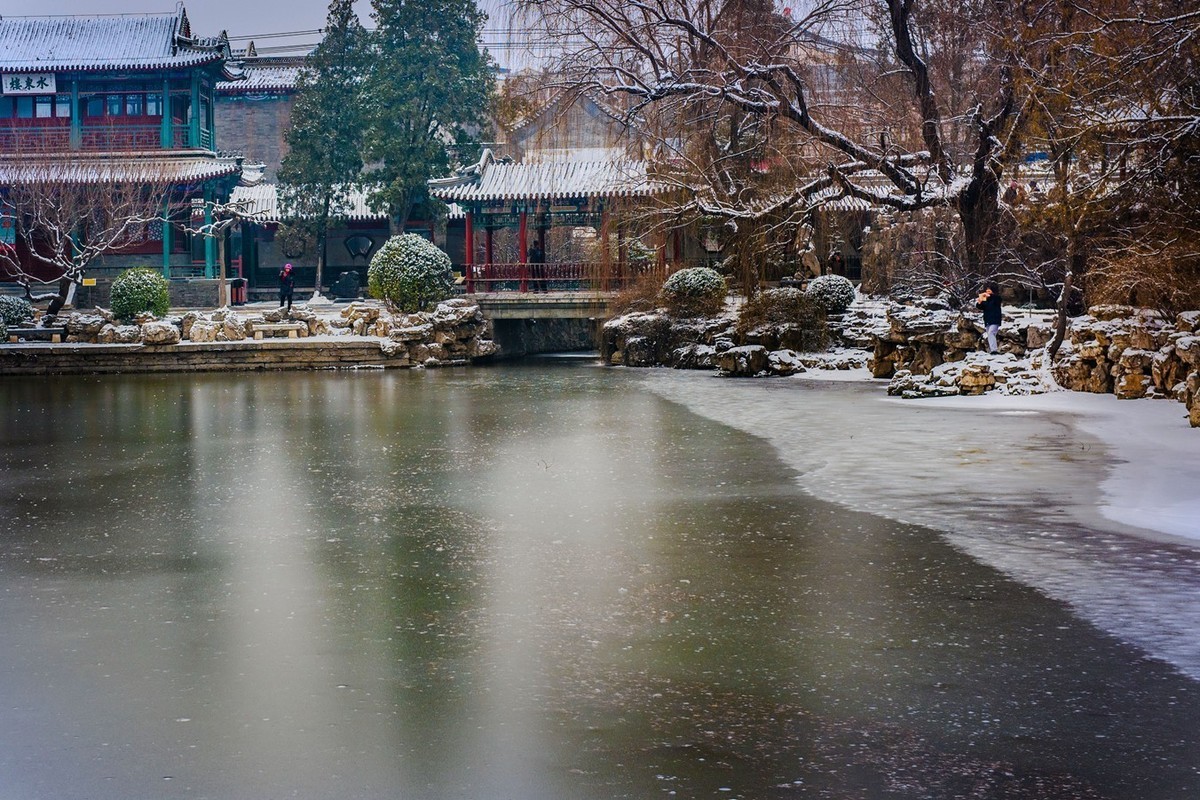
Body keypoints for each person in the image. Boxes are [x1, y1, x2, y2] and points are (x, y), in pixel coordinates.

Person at [975, 281, 1002, 353]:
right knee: (990, 334)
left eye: (989, 291)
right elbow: (981, 307)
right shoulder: (986, 299)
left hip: (995, 319)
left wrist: (989, 297)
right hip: (987, 319)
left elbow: (994, 302)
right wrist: (980, 301)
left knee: (991, 332)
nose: (987, 292)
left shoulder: (996, 298)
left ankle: (994, 350)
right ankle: (992, 349)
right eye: (987, 291)